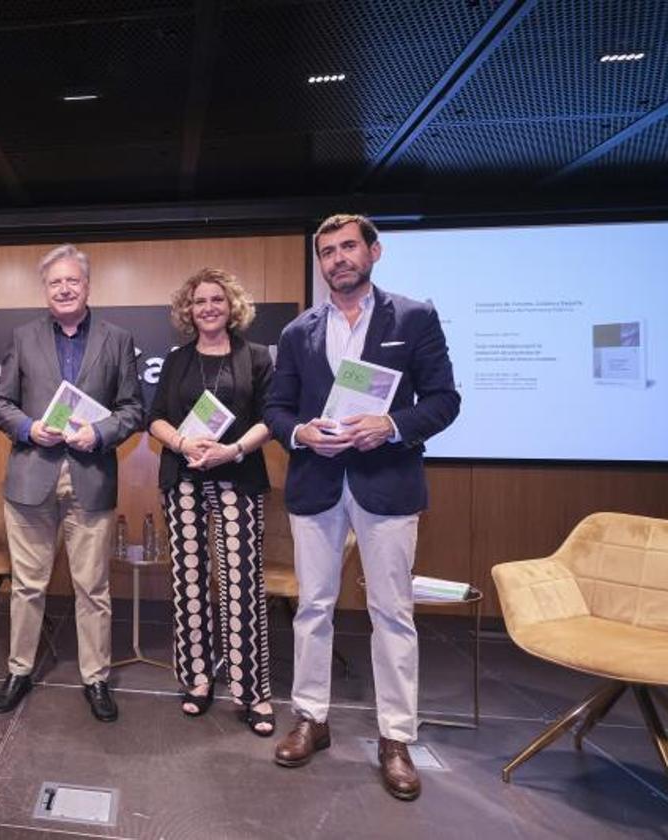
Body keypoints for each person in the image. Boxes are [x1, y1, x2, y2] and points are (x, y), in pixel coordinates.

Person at [265, 214, 460, 800]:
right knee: (312, 608)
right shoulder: (299, 331)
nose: (337, 259)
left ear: (373, 252)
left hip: (387, 483)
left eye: (348, 247)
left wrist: (392, 424)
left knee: (392, 612)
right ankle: (311, 719)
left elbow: (446, 400)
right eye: (326, 252)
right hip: (316, 485)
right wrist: (301, 434)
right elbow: (276, 408)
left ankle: (395, 738)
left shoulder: (415, 317)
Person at [0, 244, 144, 722]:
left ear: (87, 285)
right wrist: (28, 428)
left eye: (72, 280)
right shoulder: (24, 335)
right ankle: (19, 670)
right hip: (31, 475)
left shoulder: (117, 338)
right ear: (46, 289)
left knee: (93, 588)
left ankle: (95, 678)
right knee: (28, 586)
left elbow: (134, 409)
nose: (64, 288)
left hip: (90, 475)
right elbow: (0, 402)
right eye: (55, 282)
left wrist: (98, 433)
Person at [147, 268, 275, 735]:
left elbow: (270, 419)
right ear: (189, 309)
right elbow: (155, 418)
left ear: (232, 305)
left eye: (216, 300)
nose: (208, 308)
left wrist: (234, 448)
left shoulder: (256, 358)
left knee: (242, 584)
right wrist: (183, 445)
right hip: (183, 478)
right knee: (190, 582)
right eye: (199, 301)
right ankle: (197, 680)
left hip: (238, 475)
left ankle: (252, 691)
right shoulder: (177, 360)